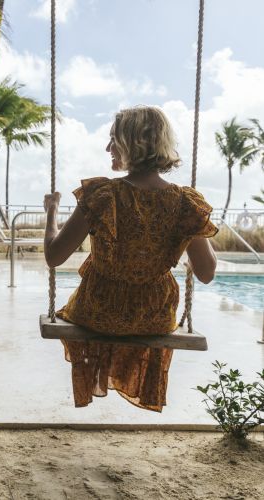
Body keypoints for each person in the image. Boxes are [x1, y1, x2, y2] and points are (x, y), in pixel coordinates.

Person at [43, 106, 218, 412]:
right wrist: (187, 230)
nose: (108, 147)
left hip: (99, 311)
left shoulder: (103, 195)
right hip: (154, 316)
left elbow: (53, 256)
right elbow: (206, 273)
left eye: (114, 139)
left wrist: (51, 212)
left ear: (132, 143)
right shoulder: (186, 203)